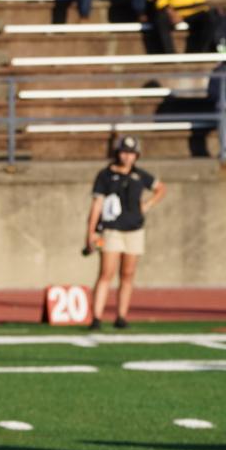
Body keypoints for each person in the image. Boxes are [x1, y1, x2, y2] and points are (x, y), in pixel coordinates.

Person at [83, 134, 165, 329]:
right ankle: (96, 317)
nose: (128, 157)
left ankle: (121, 316)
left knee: (128, 274)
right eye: (124, 152)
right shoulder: (105, 175)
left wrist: (148, 205)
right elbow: (97, 205)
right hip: (112, 230)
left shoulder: (139, 175)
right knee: (106, 273)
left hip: (134, 229)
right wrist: (91, 232)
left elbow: (160, 188)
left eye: (132, 153)